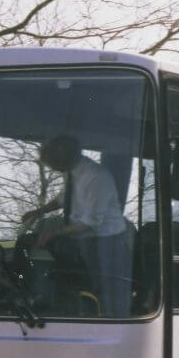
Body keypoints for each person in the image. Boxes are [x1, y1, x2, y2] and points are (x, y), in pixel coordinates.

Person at [23, 135, 130, 317]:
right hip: (83, 237)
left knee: (103, 288)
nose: (52, 169)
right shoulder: (72, 173)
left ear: (62, 159)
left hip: (107, 242)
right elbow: (62, 199)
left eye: (53, 164)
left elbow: (91, 222)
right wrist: (38, 212)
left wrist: (55, 232)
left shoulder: (97, 177)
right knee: (81, 284)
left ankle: (106, 322)